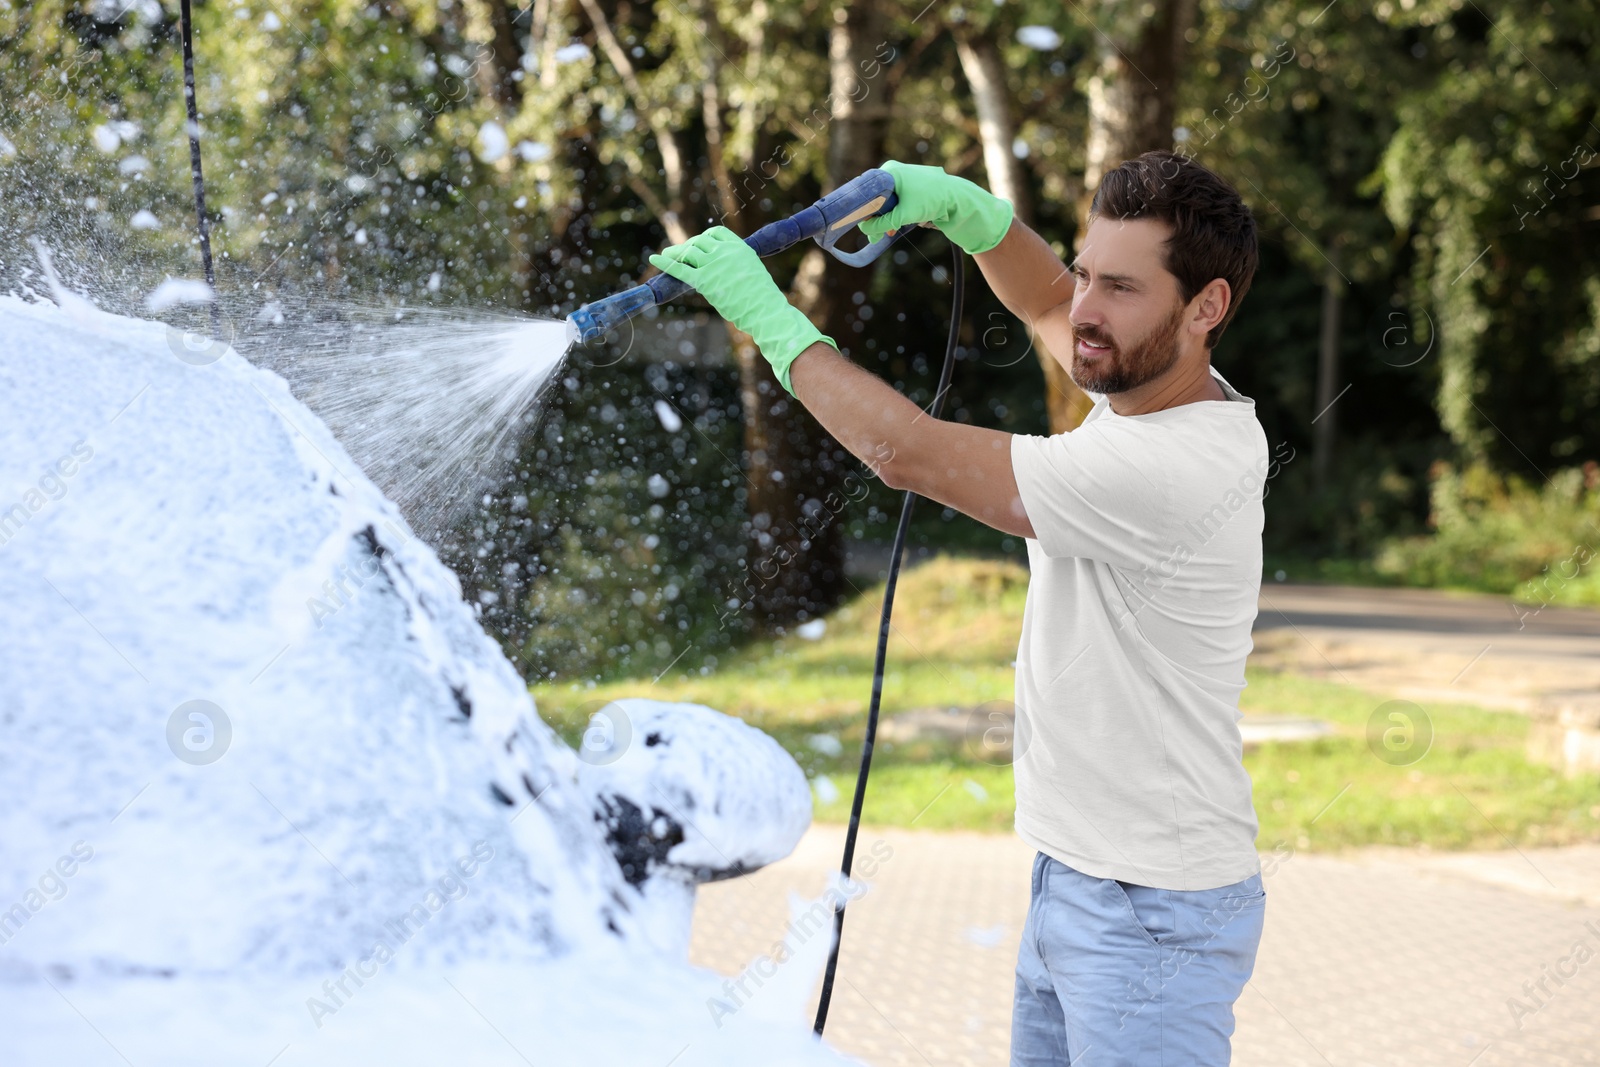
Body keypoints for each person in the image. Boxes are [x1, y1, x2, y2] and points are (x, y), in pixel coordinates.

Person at [650, 150, 1268, 1066]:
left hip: (1150, 911)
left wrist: (773, 326)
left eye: (1123, 287)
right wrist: (970, 216)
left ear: (1206, 307)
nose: (1090, 306)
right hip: (1081, 876)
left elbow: (909, 454)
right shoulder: (1146, 389)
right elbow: (1050, 305)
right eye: (1090, 267)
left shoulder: (1171, 465)